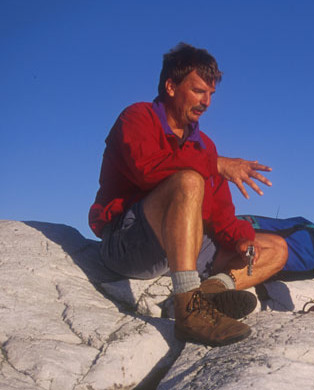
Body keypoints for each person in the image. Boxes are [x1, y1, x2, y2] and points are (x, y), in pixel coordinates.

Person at [89, 43, 287, 347]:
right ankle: (189, 312)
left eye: (210, 95)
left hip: (180, 248)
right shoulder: (137, 117)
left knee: (276, 248)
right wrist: (215, 165)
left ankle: (208, 293)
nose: (206, 102)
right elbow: (146, 169)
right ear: (171, 86)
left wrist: (241, 239)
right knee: (189, 181)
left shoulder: (204, 145)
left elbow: (219, 214)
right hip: (129, 242)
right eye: (198, 91)